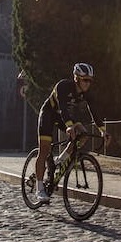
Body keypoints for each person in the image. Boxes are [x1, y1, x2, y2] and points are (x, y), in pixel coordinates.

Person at [35, 62, 109, 203]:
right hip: (49, 114)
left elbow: (94, 112)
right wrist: (69, 126)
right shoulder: (63, 86)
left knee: (83, 133)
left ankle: (59, 160)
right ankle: (40, 189)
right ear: (76, 78)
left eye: (90, 80)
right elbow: (62, 107)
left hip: (64, 117)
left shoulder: (86, 94)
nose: (88, 83)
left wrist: (103, 131)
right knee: (44, 149)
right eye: (85, 80)